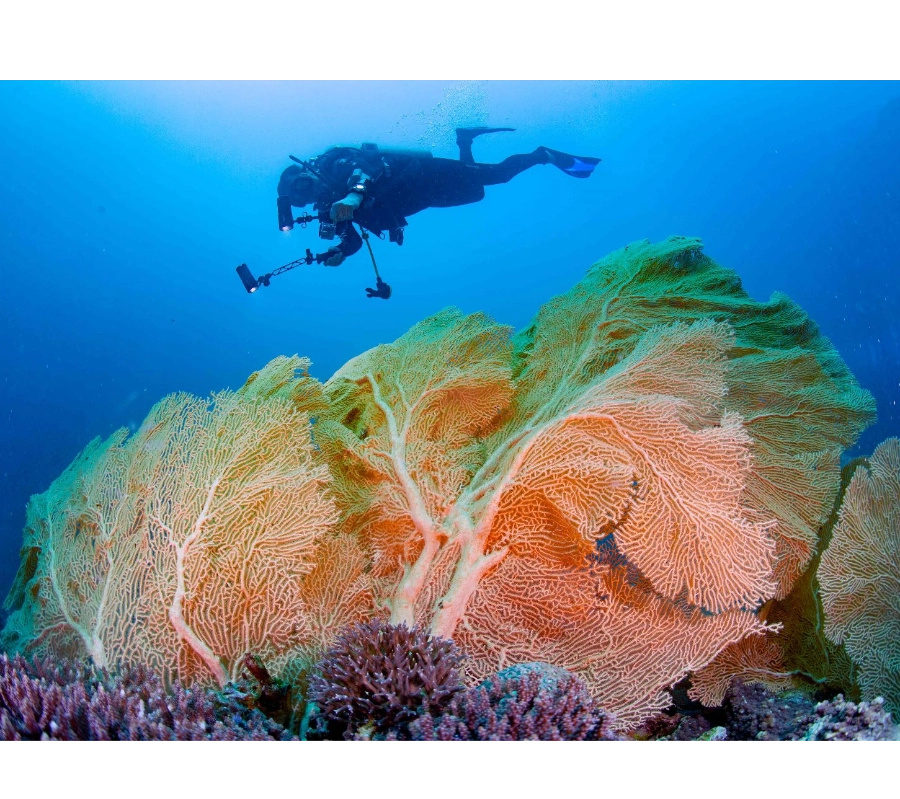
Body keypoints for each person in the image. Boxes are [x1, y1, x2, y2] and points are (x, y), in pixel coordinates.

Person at [275, 128, 601, 267]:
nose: (310, 195)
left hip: (421, 175)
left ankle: (542, 154)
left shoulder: (334, 164)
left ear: (307, 171)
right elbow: (352, 241)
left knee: (495, 176)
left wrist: (355, 196)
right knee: (476, 190)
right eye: (300, 199)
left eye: (303, 186)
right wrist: (340, 253)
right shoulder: (327, 205)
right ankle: (464, 138)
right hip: (422, 196)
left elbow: (366, 168)